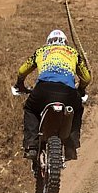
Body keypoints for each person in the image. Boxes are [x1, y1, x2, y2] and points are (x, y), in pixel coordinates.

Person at [15, 29, 92, 161]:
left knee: (30, 109)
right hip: (67, 92)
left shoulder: (41, 51)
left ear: (48, 42)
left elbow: (22, 71)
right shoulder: (73, 52)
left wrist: (20, 84)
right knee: (77, 109)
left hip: (43, 89)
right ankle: (71, 146)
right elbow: (86, 78)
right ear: (65, 42)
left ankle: (32, 146)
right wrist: (81, 89)